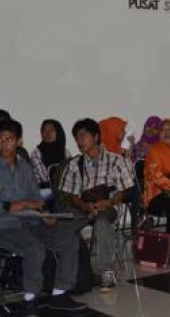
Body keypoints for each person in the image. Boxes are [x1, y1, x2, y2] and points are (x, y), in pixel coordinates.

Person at [0, 120, 87, 312]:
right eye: (0, 139)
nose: (4, 144)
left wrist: (44, 214)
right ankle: (30, 298)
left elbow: (37, 200)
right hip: (5, 227)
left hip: (32, 222)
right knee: (34, 247)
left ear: (18, 141)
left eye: (9, 139)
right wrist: (26, 204)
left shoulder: (25, 168)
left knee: (69, 241)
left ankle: (60, 293)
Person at [57, 118, 136, 291]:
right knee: (62, 225)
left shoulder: (116, 161)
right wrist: (85, 207)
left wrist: (109, 201)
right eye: (77, 138)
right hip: (83, 207)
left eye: (83, 136)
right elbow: (73, 195)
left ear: (96, 137)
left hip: (109, 206)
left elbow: (123, 190)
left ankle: (106, 271)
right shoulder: (74, 165)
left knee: (101, 221)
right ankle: (73, 272)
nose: (79, 141)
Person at [30, 119, 71, 187]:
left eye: (51, 130)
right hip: (43, 189)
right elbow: (45, 178)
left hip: (63, 189)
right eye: (44, 131)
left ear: (58, 132)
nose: (47, 133)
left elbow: (70, 175)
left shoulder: (66, 152)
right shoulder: (36, 153)